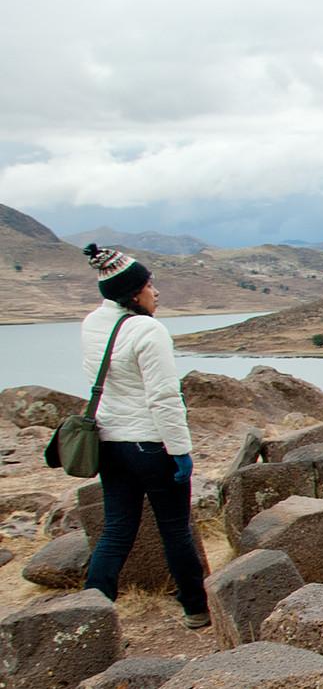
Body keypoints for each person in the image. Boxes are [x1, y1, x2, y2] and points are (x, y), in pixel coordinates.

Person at [78, 243, 211, 629]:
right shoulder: (147, 330)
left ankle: (90, 610)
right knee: (175, 528)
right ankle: (195, 608)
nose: (156, 293)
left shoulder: (91, 324)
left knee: (117, 529)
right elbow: (164, 398)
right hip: (149, 444)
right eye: (151, 286)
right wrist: (181, 451)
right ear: (134, 293)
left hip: (109, 443)